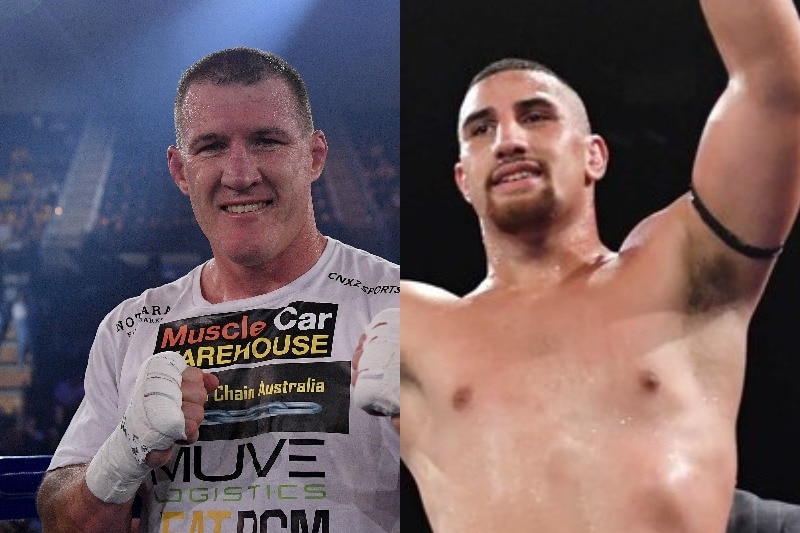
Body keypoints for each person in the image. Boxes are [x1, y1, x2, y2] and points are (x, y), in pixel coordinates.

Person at [399, 0, 800, 531]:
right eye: (480, 130)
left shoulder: (678, 268)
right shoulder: (411, 328)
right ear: (462, 179)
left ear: (595, 155)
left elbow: (778, 86)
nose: (509, 140)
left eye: (536, 116)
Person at [36, 47, 400, 533]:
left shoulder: (399, 303)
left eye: (267, 140)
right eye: (210, 147)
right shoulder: (130, 327)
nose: (241, 174)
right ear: (181, 171)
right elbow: (64, 523)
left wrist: (431, 428)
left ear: (314, 157)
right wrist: (122, 456)